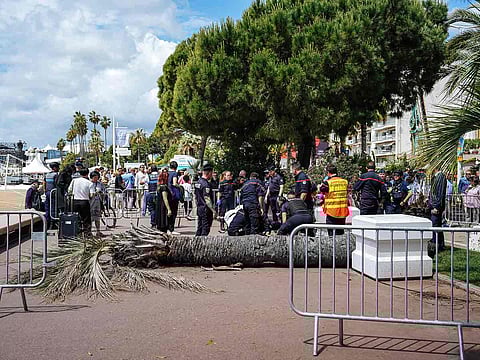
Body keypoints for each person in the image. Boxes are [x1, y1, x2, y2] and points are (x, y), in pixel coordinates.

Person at [319, 164, 349, 236]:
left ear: (328, 173)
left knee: (332, 236)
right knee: (340, 234)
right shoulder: (345, 182)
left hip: (332, 212)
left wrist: (324, 181)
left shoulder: (328, 182)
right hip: (342, 211)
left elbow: (321, 189)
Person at [68, 168, 92, 236]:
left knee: (76, 217)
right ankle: (87, 233)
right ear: (88, 174)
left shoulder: (74, 181)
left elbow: (69, 190)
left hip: (75, 201)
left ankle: (77, 233)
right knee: (86, 218)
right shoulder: (89, 183)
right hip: (85, 201)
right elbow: (92, 194)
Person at [194, 164, 216, 236]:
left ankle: (195, 244)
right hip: (206, 209)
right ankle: (202, 246)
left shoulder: (198, 182)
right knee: (205, 229)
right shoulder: (205, 184)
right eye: (212, 173)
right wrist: (213, 210)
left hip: (200, 208)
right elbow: (207, 198)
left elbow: (195, 196)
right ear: (209, 172)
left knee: (199, 228)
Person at [429, 168, 447, 250]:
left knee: (435, 225)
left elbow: (440, 193)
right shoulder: (436, 177)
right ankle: (439, 245)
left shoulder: (440, 177)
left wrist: (437, 206)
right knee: (437, 225)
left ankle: (436, 244)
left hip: (436, 206)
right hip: (434, 205)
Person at [89, 171, 106, 237]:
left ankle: (98, 231)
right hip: (90, 202)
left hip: (98, 202)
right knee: (90, 218)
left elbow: (103, 191)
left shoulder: (99, 184)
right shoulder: (89, 183)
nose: (96, 179)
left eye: (97, 177)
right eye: (94, 177)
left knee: (97, 217)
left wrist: (101, 193)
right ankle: (89, 231)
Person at [44, 162, 60, 229]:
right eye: (58, 167)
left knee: (47, 208)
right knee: (53, 208)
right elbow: (57, 184)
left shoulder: (47, 175)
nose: (59, 168)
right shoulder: (56, 175)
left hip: (47, 192)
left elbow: (44, 183)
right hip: (53, 193)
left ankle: (46, 222)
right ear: (54, 168)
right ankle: (53, 223)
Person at [167, 161, 180, 232]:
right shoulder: (175, 173)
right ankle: (171, 228)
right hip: (173, 194)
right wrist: (180, 187)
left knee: (168, 211)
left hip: (166, 193)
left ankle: (167, 228)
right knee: (174, 211)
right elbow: (174, 183)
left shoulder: (166, 173)